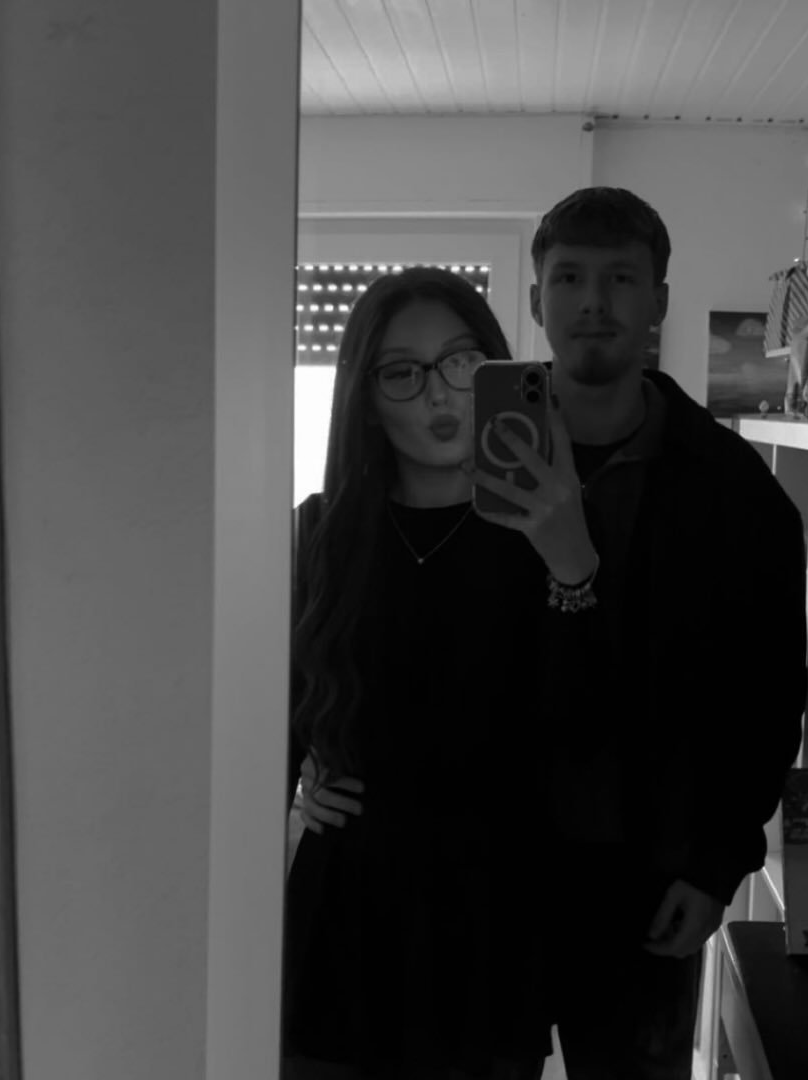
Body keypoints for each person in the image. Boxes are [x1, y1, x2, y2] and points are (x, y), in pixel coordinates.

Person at [281, 266, 607, 1080]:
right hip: (349, 907)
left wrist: (573, 565)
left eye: (463, 363)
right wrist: (295, 782)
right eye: (402, 371)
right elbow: (262, 714)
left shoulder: (554, 528)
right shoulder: (319, 535)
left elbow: (595, 729)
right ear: (365, 396)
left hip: (491, 911)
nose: (439, 394)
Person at [522, 187, 808, 1079]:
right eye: (569, 277)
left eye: (620, 278)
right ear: (535, 299)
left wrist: (718, 863)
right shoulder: (481, 463)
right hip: (490, 865)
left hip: (648, 881)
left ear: (659, 301)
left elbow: (768, 697)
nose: (593, 302)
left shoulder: (736, 493)